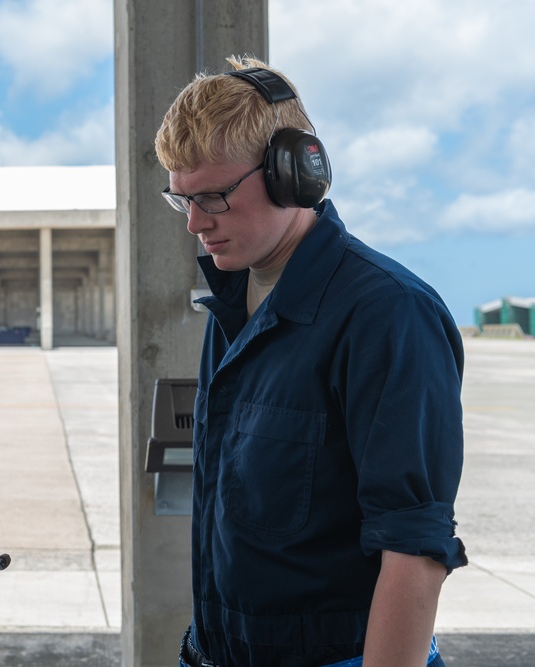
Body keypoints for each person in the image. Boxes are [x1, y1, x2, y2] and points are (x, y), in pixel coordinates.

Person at [154, 57, 467, 667]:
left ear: (293, 174)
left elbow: (415, 550)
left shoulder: (388, 316)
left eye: (214, 196)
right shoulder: (234, 298)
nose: (195, 224)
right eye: (181, 200)